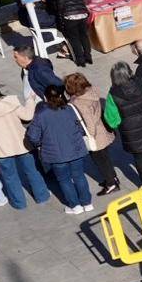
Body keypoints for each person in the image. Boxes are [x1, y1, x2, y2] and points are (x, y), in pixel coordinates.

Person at [19, 83, 91, 214]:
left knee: (64, 180)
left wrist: (41, 144)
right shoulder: (69, 108)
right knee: (79, 176)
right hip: (76, 149)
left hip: (56, 155)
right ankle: (87, 202)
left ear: (45, 98)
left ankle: (75, 206)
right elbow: (80, 126)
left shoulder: (41, 115)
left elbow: (32, 136)